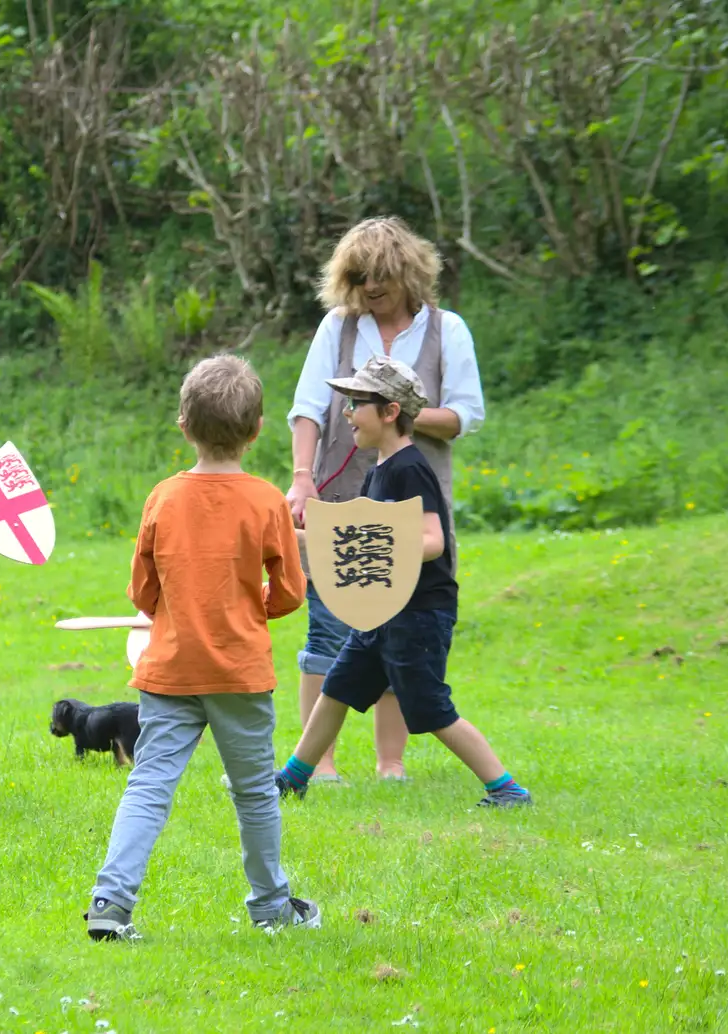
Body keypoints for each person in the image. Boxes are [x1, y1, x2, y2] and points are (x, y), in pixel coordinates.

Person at [86, 354, 316, 943]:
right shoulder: (266, 500)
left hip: (171, 670)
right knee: (255, 792)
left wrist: (175, 612)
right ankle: (270, 906)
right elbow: (290, 591)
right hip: (240, 673)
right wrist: (247, 609)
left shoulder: (162, 497)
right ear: (258, 429)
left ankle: (111, 902)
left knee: (149, 785)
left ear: (182, 424)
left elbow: (142, 589)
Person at [273, 355, 529, 809]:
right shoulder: (379, 470)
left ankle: (506, 789)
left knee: (429, 709)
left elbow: (432, 541)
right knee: (336, 688)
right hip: (382, 611)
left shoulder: (409, 467)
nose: (347, 412)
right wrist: (281, 533)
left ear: (390, 412)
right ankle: (293, 779)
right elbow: (356, 538)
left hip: (419, 614)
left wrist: (377, 541)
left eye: (357, 403)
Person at [286, 216, 486, 782]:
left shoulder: (449, 330)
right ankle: (317, 763)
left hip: (408, 498)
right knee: (327, 626)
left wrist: (397, 408)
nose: (371, 286)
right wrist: (302, 477)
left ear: (408, 272)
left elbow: (465, 416)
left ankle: (389, 764)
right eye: (360, 276)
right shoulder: (338, 327)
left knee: (397, 625)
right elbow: (307, 407)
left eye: (381, 275)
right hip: (338, 492)